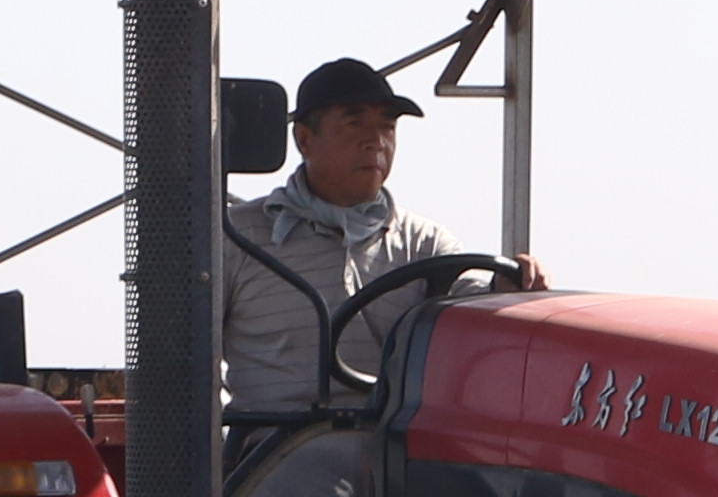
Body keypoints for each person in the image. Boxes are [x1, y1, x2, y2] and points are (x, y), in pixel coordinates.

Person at [221, 56, 544, 410]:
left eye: (387, 126)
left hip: (395, 437)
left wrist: (504, 289)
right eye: (354, 123)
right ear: (304, 139)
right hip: (278, 439)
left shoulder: (424, 243)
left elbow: (470, 306)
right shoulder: (236, 236)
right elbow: (187, 353)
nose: (375, 141)